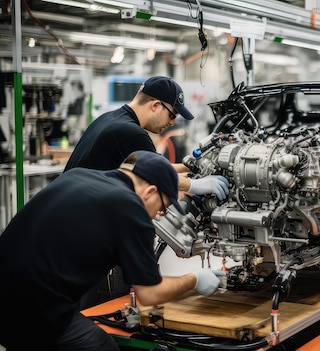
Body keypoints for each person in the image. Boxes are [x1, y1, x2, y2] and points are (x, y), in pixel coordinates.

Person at [0, 151, 225, 351]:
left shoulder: (79, 175)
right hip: (33, 312)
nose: (159, 214)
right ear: (150, 191)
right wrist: (194, 280)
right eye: (163, 206)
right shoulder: (131, 210)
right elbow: (150, 294)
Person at [64, 75, 228, 308]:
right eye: (172, 114)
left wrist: (193, 166)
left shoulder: (111, 120)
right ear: (155, 105)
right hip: (93, 233)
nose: (172, 122)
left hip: (76, 225)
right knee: (102, 307)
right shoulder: (132, 133)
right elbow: (154, 175)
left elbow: (150, 166)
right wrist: (196, 185)